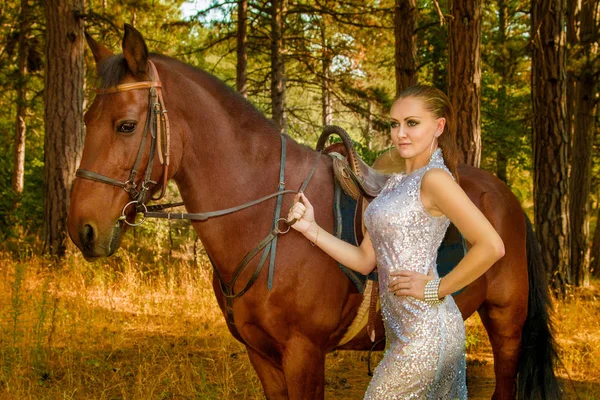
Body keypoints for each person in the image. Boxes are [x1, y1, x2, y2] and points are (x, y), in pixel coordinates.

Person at [287, 84, 505, 399]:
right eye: (394, 124)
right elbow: (365, 261)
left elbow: (491, 245)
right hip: (401, 333)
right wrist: (311, 229)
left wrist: (436, 289)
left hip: (426, 335)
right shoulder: (394, 185)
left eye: (412, 123)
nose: (400, 132)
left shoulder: (435, 180)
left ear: (438, 126)